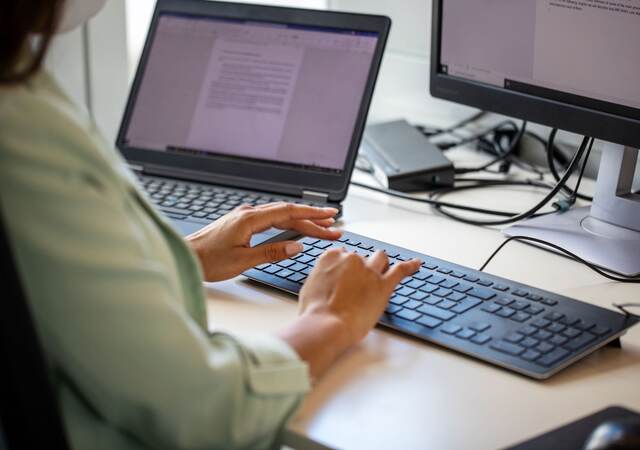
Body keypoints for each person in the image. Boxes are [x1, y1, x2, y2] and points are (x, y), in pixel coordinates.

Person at [0, 1, 421, 449]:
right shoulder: (21, 131)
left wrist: (186, 256)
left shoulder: (18, 78)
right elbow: (200, 408)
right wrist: (329, 319)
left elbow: (47, 281)